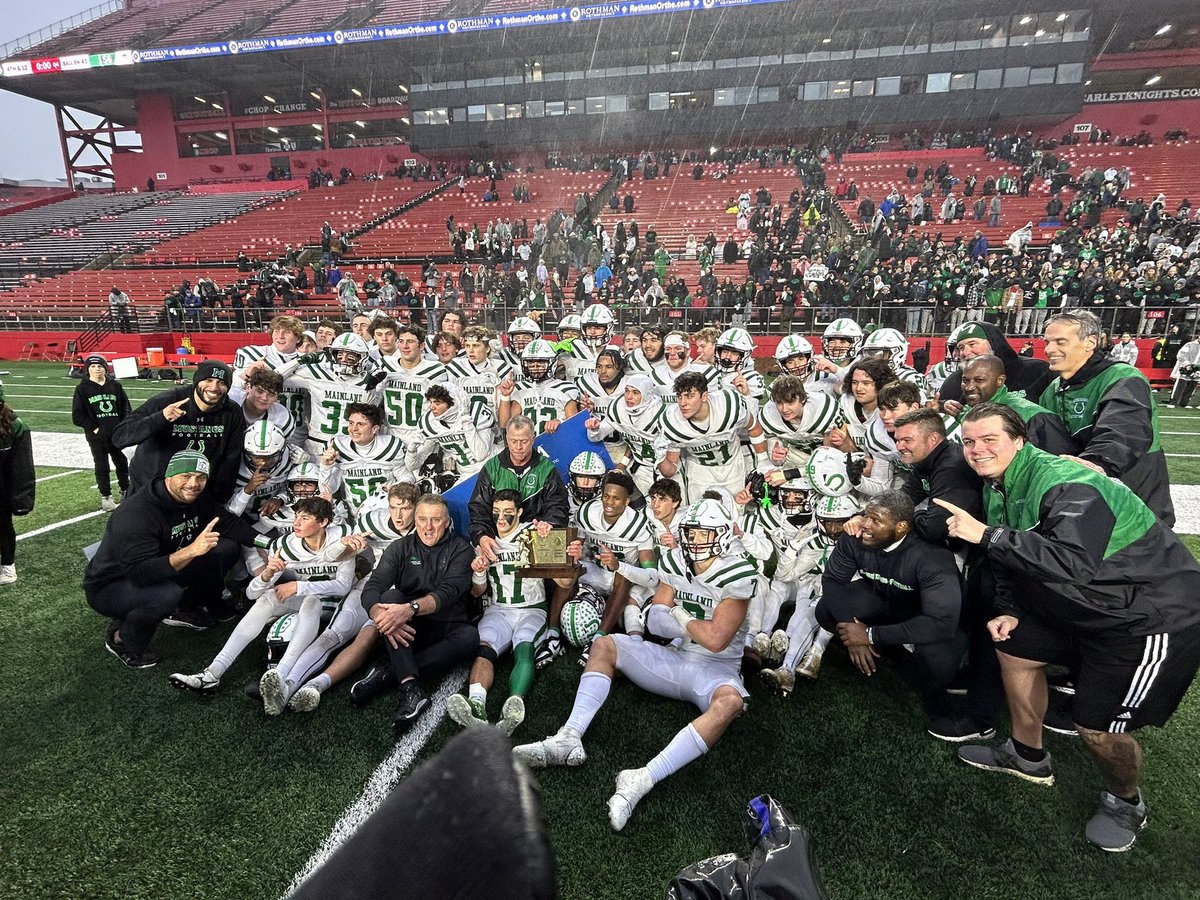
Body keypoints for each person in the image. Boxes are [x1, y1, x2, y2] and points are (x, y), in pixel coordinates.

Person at [940, 404, 1200, 852]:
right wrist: (1010, 608)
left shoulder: (1066, 481)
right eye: (969, 441)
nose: (977, 450)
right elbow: (1011, 556)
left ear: (1019, 440)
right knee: (1014, 647)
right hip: (1089, 603)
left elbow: (1072, 561)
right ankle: (1027, 755)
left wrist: (983, 534)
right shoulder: (1000, 483)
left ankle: (1125, 800)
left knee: (1096, 728)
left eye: (989, 439)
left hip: (1144, 615)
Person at [513, 498, 758, 832]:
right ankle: (568, 736)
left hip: (716, 669)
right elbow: (655, 621)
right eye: (691, 533)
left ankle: (642, 778)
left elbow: (716, 639)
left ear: (723, 536)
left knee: (730, 703)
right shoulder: (677, 559)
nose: (695, 541)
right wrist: (686, 622)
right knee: (604, 644)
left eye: (704, 534)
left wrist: (677, 613)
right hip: (676, 656)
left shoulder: (738, 573)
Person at [84, 451, 265, 666]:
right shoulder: (136, 513)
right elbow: (140, 573)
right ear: (168, 476)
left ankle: (185, 607)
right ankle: (123, 640)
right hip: (112, 583)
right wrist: (191, 551)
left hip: (160, 564)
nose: (193, 484)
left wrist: (268, 543)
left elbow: (226, 522)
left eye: (201, 477)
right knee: (166, 594)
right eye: (185, 476)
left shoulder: (195, 497)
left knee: (226, 548)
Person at [818, 490, 969, 736]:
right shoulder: (855, 537)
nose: (865, 525)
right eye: (866, 516)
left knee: (940, 658)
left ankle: (937, 697)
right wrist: (852, 633)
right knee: (826, 610)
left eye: (875, 520)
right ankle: (892, 655)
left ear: (901, 528)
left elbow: (941, 623)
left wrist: (869, 635)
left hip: (930, 615)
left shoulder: (931, 556)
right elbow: (833, 580)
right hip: (887, 601)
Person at [1038, 311, 1173, 526]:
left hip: (1134, 493)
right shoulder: (1054, 388)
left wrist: (1098, 462)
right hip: (1088, 493)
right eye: (1047, 342)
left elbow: (1125, 430)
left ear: (1090, 342)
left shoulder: (1122, 377)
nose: (1049, 349)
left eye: (1060, 342)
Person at [358, 494, 478, 730]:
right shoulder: (400, 547)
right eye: (422, 519)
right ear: (415, 519)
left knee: (470, 637)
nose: (428, 527)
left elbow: (447, 593)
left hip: (446, 624)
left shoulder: (461, 549)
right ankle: (410, 687)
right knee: (389, 599)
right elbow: (373, 586)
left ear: (446, 522)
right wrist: (380, 615)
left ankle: (389, 673)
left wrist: (410, 609)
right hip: (408, 629)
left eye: (435, 520)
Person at [447, 490, 547, 736]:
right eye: (496, 513)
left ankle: (512, 708)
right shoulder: (485, 540)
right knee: (484, 648)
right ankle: (476, 707)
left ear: (520, 512)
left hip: (531, 608)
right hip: (499, 608)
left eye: (508, 513)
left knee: (524, 645)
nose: (501, 518)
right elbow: (477, 591)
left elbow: (562, 580)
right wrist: (479, 571)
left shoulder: (533, 534)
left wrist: (550, 536)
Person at [112, 360, 246, 503]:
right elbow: (120, 436)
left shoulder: (232, 412)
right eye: (208, 380)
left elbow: (231, 457)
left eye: (221, 382)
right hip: (151, 490)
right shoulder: (167, 401)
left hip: (194, 492)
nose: (214, 387)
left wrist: (219, 498)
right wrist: (160, 417)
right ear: (196, 381)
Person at [958, 356, 1074, 454]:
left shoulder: (1033, 416)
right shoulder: (965, 412)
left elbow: (1062, 463)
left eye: (979, 380)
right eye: (965, 381)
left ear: (1000, 380)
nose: (969, 387)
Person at [938, 322, 1051, 411]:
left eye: (972, 344)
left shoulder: (1038, 371)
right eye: (961, 348)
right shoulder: (954, 381)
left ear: (993, 344)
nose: (965, 352)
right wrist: (942, 406)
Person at [71, 355, 132, 512]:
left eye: (100, 366)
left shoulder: (115, 386)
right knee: (102, 466)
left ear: (105, 368)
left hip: (117, 434)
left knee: (122, 464)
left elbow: (126, 409)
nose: (97, 369)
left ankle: (126, 491)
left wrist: (123, 426)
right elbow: (77, 416)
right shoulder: (82, 389)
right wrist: (95, 428)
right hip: (97, 437)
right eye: (93, 366)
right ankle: (106, 497)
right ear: (87, 369)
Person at [0, 384, 34, 586]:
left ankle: (8, 566)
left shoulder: (16, 426)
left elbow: (22, 467)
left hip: (2, 489)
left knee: (3, 526)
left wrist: (22, 499)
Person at [1166, 331, 1200, 409]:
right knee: (1180, 385)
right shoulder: (1189, 345)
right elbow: (1181, 355)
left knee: (1192, 386)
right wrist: (1187, 364)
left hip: (1197, 370)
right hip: (1185, 368)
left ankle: (1184, 402)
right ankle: (1173, 402)